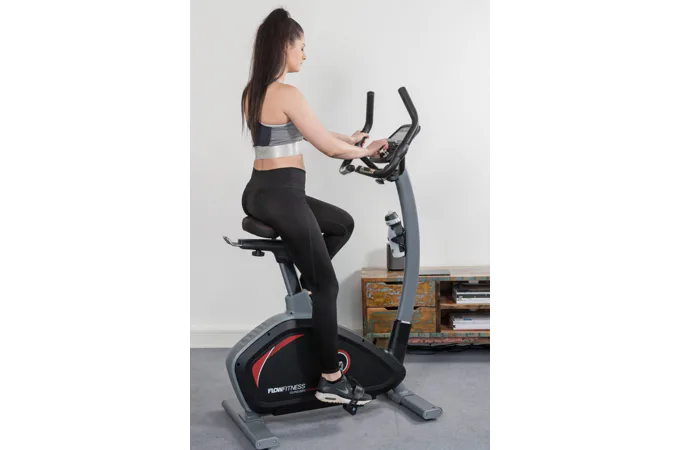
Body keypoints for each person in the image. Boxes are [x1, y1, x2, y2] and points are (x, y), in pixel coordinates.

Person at [240, 8, 388, 405]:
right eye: (302, 47)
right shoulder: (287, 93)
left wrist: (351, 140)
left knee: (341, 223)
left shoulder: (255, 90)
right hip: (282, 196)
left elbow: (306, 130)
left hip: (262, 192)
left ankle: (310, 278)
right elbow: (327, 147)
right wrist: (366, 151)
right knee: (328, 286)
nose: (305, 54)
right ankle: (331, 379)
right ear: (284, 47)